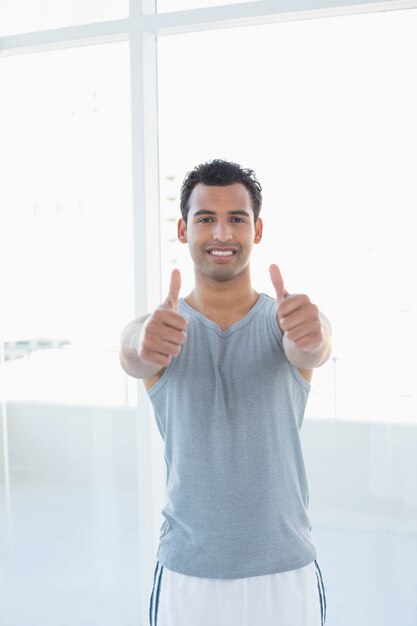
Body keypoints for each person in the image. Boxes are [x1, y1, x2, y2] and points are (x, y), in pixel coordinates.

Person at [119, 159, 331, 626]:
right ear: (182, 229)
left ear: (257, 231)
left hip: (285, 572)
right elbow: (134, 353)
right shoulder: (156, 329)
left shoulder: (290, 322)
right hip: (189, 575)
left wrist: (313, 338)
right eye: (205, 218)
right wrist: (142, 343)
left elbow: (312, 348)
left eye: (236, 218)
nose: (221, 233)